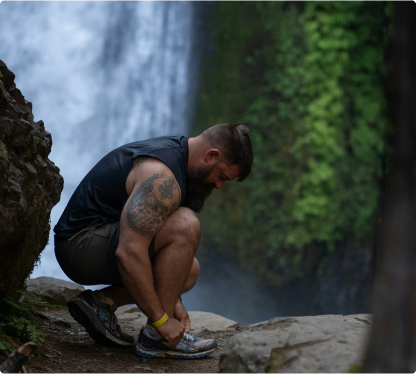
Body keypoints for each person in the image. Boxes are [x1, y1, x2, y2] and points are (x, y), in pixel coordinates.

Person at [53, 123, 253, 359]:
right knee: (186, 224)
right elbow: (128, 252)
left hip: (95, 240)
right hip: (79, 245)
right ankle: (156, 339)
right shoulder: (161, 177)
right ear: (211, 156)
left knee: (189, 271)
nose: (218, 185)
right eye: (221, 176)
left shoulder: (179, 152)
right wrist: (162, 320)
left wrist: (172, 297)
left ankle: (99, 303)